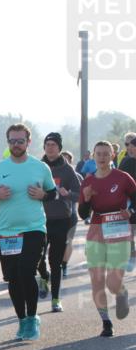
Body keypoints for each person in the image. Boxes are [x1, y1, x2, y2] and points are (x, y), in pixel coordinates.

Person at [0, 123, 56, 342]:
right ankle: (22, 320)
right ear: (8, 142)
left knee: (25, 271)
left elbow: (51, 193)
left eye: (20, 141)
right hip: (6, 232)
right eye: (12, 141)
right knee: (13, 278)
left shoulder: (40, 167)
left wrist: (42, 194)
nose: (16, 145)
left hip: (33, 229)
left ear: (28, 142)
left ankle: (32, 318)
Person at [78, 141, 136, 337]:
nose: (102, 157)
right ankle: (106, 322)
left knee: (112, 282)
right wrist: (86, 200)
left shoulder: (122, 178)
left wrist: (131, 211)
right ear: (93, 156)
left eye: (106, 154)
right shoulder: (88, 182)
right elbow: (82, 213)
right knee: (96, 280)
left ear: (112, 156)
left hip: (119, 230)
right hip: (96, 231)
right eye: (98, 154)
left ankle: (121, 292)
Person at [35, 133, 80, 312]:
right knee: (37, 259)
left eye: (54, 144)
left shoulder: (67, 169)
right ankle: (44, 276)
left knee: (56, 261)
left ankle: (56, 299)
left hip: (61, 219)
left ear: (59, 148)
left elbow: (79, 194)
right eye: (47, 144)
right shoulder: (37, 167)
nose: (50, 147)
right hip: (39, 220)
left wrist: (67, 194)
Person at [118, 132, 136, 272]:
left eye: (132, 145)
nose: (130, 148)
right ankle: (131, 255)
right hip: (130, 203)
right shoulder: (125, 161)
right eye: (127, 145)